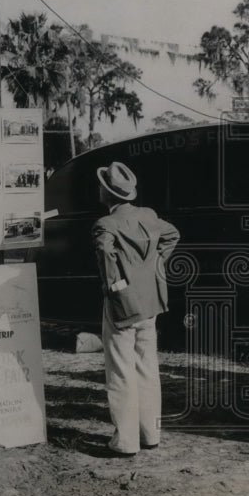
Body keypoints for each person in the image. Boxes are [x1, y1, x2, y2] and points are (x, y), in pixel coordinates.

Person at [92, 161, 181, 456]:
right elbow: (172, 235)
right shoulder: (149, 215)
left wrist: (114, 286)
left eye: (101, 186)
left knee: (121, 371)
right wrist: (154, 268)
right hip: (150, 301)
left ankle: (126, 442)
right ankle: (150, 434)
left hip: (122, 304)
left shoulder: (105, 224)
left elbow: (105, 254)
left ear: (108, 193)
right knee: (147, 367)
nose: (99, 190)